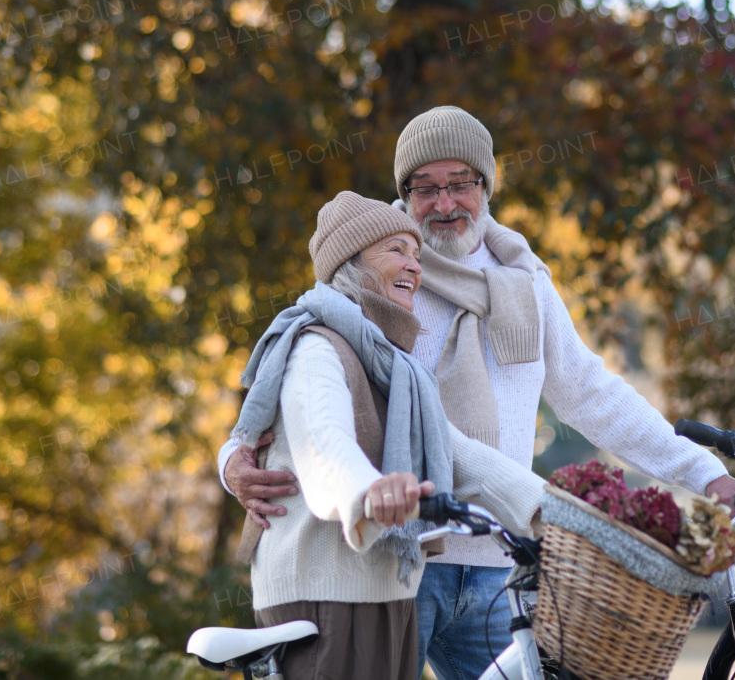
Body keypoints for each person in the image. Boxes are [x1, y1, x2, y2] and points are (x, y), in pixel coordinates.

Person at [224, 107, 735, 680]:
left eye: (459, 184)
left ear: (487, 186)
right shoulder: (371, 270)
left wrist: (702, 473)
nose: (444, 204)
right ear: (402, 194)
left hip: (500, 563)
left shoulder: (526, 283)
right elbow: (300, 397)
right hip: (394, 561)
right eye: (423, 188)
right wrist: (233, 461)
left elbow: (591, 394)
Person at [223, 190, 544, 680]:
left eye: (417, 254)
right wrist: (369, 493)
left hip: (385, 594)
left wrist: (557, 510)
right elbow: (324, 447)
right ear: (350, 263)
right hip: (326, 598)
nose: (414, 266)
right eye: (396, 250)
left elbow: (461, 455)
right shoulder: (316, 348)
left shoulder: (398, 370)